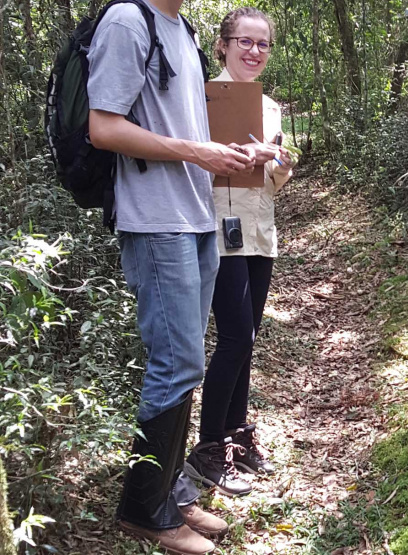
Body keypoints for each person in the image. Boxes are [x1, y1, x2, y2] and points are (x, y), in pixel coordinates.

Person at [87, 0, 256, 552]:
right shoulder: (127, 21)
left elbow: (183, 128)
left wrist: (229, 152)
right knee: (176, 360)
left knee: (186, 362)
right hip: (157, 220)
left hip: (197, 216)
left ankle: (173, 492)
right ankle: (144, 507)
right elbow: (103, 127)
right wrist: (195, 152)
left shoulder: (182, 29)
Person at [183, 6, 296, 498]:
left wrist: (279, 162)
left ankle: (236, 433)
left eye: (262, 43)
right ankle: (208, 447)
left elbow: (273, 181)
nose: (254, 51)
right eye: (244, 41)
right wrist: (239, 153)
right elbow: (189, 161)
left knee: (247, 336)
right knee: (234, 337)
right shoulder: (200, 96)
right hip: (216, 228)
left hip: (259, 232)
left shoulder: (269, 106)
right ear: (224, 45)